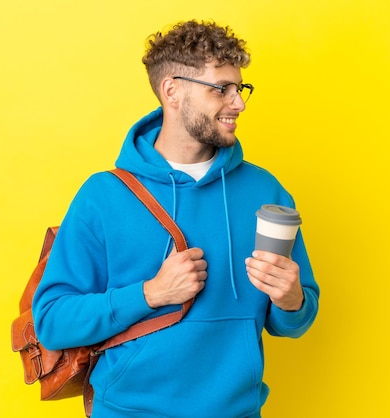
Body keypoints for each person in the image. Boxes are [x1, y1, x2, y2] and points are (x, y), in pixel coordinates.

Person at [32, 19, 319, 418]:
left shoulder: (265, 192)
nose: (239, 103)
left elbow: (295, 322)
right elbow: (52, 322)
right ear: (172, 90)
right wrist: (151, 293)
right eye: (222, 89)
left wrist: (292, 299)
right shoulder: (104, 196)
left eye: (240, 89)